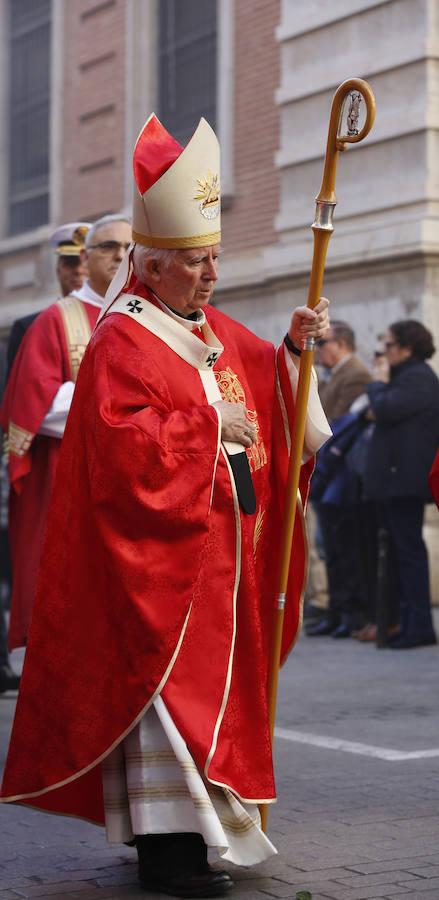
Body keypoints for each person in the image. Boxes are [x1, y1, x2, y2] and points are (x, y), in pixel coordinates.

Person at [0, 115, 331, 898]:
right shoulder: (123, 337)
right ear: (151, 266)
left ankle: (201, 833)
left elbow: (269, 393)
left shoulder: (206, 326)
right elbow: (122, 446)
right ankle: (167, 851)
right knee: (165, 707)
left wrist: (292, 350)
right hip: (159, 567)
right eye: (195, 261)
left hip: (219, 555)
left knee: (202, 706)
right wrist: (213, 423)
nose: (211, 273)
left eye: (213, 257)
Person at [0, 214, 131, 651]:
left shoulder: (150, 315)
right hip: (71, 484)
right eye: (109, 248)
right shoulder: (56, 321)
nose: (120, 256)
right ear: (85, 259)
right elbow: (37, 407)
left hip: (136, 486)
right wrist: (123, 402)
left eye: (128, 248)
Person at [364, 319, 439, 649]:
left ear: (407, 348)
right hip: (394, 480)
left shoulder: (418, 378)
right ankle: (404, 623)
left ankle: (419, 626)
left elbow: (382, 409)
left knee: (409, 553)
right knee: (398, 553)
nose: (382, 353)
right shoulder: (406, 377)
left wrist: (378, 383)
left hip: (404, 481)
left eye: (388, 346)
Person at [306, 322, 371, 638]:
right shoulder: (331, 375)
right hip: (326, 475)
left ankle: (350, 613)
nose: (318, 351)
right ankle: (336, 610)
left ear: (341, 344)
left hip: (342, 477)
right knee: (329, 548)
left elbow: (336, 424)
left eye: (324, 344)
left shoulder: (356, 374)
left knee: (345, 549)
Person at [6, 222, 90, 376]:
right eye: (70, 263)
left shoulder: (111, 322)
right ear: (58, 270)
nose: (78, 270)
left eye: (86, 263)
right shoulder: (27, 327)